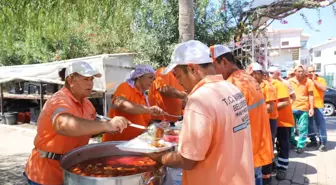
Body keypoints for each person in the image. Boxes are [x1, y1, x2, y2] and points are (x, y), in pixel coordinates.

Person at [147, 40, 255, 185]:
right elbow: (224, 132)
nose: (179, 83)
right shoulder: (232, 89)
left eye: (178, 76)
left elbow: (187, 160)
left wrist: (156, 156)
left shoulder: (199, 100)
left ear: (192, 68)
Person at [24, 61, 130, 185]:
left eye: (91, 79)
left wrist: (107, 128)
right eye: (86, 79)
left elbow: (89, 129)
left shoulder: (87, 104)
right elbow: (63, 125)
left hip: (72, 169)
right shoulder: (59, 100)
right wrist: (107, 125)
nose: (90, 83)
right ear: (71, 81)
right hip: (46, 173)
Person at [210, 45, 273, 185]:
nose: (211, 72)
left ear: (224, 62)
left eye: (212, 66)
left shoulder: (232, 84)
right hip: (256, 146)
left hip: (246, 150)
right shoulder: (245, 78)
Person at [103, 64, 166, 142]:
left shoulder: (144, 97)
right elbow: (122, 105)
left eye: (153, 79)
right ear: (139, 76)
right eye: (150, 77)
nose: (152, 81)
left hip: (134, 143)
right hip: (117, 143)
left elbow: (145, 120)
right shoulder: (125, 87)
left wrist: (157, 125)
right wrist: (149, 110)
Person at [248, 63, 278, 185]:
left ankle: (267, 176)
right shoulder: (253, 86)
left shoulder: (267, 86)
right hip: (260, 120)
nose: (250, 77)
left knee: (266, 146)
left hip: (269, 121)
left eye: (252, 75)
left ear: (259, 74)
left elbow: (270, 108)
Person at [267, 67, 295, 181]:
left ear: (278, 73)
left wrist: (271, 109)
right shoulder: (267, 84)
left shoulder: (282, 84)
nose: (269, 74)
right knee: (271, 144)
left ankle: (282, 168)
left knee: (283, 144)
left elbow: (287, 100)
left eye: (271, 72)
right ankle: (273, 164)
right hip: (272, 119)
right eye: (268, 72)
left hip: (283, 121)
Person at [288, 65, 315, 154]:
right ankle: (292, 142)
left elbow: (311, 95)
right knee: (290, 128)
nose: (301, 73)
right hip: (291, 108)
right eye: (298, 71)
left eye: (302, 71)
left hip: (303, 108)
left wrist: (311, 108)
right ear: (295, 72)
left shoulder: (309, 81)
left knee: (303, 128)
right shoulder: (290, 81)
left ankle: (300, 145)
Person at [307, 65, 328, 151]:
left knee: (320, 125)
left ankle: (323, 142)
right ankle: (313, 140)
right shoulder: (306, 80)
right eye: (310, 72)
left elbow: (324, 88)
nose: (311, 73)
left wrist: (314, 80)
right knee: (309, 125)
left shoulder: (321, 79)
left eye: (313, 71)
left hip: (318, 105)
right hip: (308, 106)